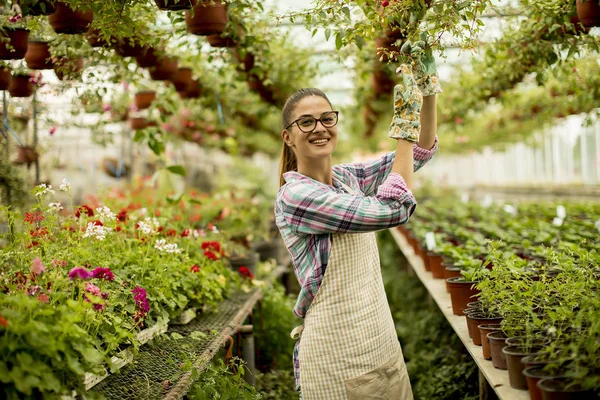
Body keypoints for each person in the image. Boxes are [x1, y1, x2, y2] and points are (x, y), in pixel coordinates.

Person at [274, 53, 442, 400]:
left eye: (326, 118)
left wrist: (428, 92)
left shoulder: (347, 178)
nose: (319, 128)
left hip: (379, 336)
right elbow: (393, 210)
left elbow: (418, 151)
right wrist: (402, 129)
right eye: (306, 123)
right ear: (288, 138)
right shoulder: (297, 196)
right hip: (337, 351)